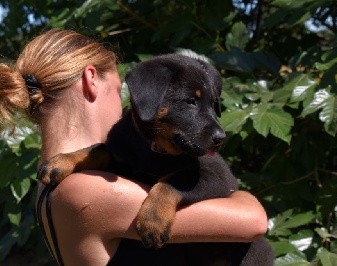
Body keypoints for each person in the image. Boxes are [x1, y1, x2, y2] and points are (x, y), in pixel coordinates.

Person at [0, 29, 269, 265]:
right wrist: (241, 195)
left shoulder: (54, 181)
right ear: (90, 80)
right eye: (118, 92)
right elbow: (252, 220)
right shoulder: (88, 191)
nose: (125, 107)